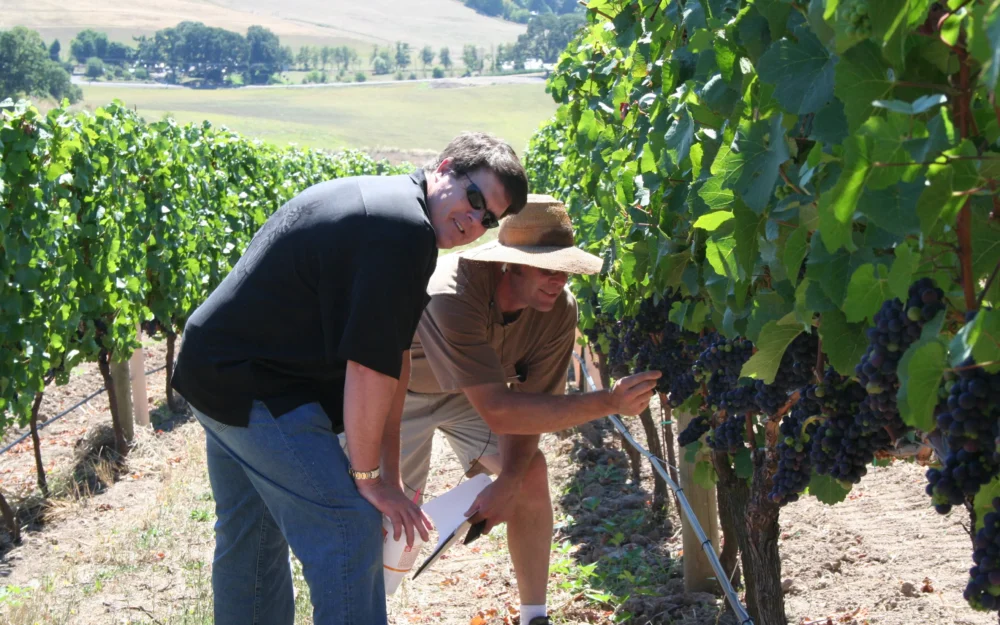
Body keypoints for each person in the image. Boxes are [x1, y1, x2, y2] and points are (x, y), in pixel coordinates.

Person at [170, 132, 529, 625]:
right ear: (445, 167)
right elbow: (367, 368)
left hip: (215, 368)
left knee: (251, 534)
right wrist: (368, 480)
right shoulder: (404, 230)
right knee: (348, 526)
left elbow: (393, 360)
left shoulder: (397, 211)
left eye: (488, 219)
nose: (474, 221)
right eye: (473, 199)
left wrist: (391, 473)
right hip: (253, 387)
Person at [401, 195, 661, 625]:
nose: (558, 280)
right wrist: (609, 403)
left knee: (531, 471)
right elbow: (502, 412)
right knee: (384, 514)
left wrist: (510, 481)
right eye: (546, 268)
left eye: (565, 269)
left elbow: (533, 410)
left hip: (472, 394)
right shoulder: (453, 293)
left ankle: (534, 617)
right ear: (510, 263)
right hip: (403, 391)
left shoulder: (559, 311)